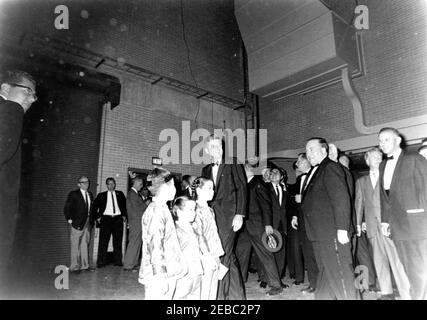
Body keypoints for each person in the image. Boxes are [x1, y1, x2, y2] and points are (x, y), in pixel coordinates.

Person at [301, 138, 357, 300]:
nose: (308, 154)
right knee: (326, 275)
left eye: (312, 149)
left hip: (332, 233)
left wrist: (342, 228)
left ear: (324, 151)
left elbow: (341, 199)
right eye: (307, 150)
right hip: (320, 234)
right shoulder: (316, 171)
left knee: (341, 276)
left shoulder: (330, 167)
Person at [355, 147, 411, 300]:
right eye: (374, 157)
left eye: (380, 157)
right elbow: (359, 204)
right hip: (372, 228)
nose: (378, 159)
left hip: (390, 225)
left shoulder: (390, 177)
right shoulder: (361, 181)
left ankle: (405, 292)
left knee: (397, 260)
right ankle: (386, 292)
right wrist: (359, 223)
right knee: (379, 260)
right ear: (367, 161)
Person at [378, 127, 427, 300]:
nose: (382, 144)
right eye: (380, 141)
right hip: (397, 227)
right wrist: (385, 221)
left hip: (416, 224)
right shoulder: (383, 164)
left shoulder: (414, 158)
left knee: (418, 269)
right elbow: (384, 197)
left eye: (386, 140)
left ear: (398, 141)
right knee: (407, 267)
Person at [0, 70, 37, 276]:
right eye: (28, 92)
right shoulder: (10, 109)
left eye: (34, 95)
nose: (32, 99)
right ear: (6, 88)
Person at [201, 134, 247, 300]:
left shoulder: (232, 162)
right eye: (213, 147)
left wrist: (240, 214)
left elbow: (242, 189)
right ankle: (237, 296)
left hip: (230, 216)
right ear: (207, 150)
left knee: (223, 254)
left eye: (219, 145)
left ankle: (219, 297)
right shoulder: (206, 169)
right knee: (228, 256)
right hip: (213, 217)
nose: (218, 149)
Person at [138, 167, 187, 300]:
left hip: (167, 269)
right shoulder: (157, 211)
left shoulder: (162, 208)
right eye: (172, 186)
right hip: (158, 274)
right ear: (162, 187)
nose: (175, 189)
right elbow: (155, 246)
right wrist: (160, 277)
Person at [236, 162, 284, 296]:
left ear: (248, 170)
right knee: (241, 255)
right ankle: (239, 281)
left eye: (243, 169)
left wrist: (268, 224)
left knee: (266, 255)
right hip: (244, 227)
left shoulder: (259, 183)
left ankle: (276, 285)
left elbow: (266, 205)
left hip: (257, 226)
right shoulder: (244, 185)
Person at [291, 153, 318, 294]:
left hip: (314, 222)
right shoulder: (300, 178)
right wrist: (295, 216)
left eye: (299, 162)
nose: (297, 165)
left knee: (316, 254)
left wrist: (303, 198)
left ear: (308, 161)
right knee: (307, 253)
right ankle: (313, 283)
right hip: (302, 221)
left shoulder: (316, 174)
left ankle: (321, 283)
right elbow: (297, 201)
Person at [193, 177, 224, 300]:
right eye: (209, 188)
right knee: (204, 290)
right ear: (199, 190)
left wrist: (217, 253)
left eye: (213, 189)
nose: (212, 191)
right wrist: (207, 256)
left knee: (213, 289)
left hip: (214, 252)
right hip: (205, 255)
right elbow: (199, 235)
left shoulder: (210, 210)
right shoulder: (195, 210)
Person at [172, 197, 204, 300]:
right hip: (184, 275)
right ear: (179, 212)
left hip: (196, 272)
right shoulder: (176, 231)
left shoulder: (193, 228)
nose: (193, 212)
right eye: (190, 209)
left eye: (194, 209)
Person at [91, 177, 127, 267]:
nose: (111, 185)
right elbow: (93, 207)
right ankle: (101, 262)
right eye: (109, 184)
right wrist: (97, 217)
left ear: (115, 184)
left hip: (118, 219)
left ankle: (118, 262)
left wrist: (124, 215)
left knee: (118, 241)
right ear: (106, 185)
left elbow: (125, 206)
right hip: (106, 219)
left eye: (113, 183)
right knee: (103, 241)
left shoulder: (120, 194)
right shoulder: (101, 195)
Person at [63, 176, 93, 273]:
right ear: (79, 184)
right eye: (83, 182)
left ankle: (85, 265)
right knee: (75, 245)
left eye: (87, 182)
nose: (86, 184)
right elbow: (67, 207)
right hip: (77, 223)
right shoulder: (74, 194)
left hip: (87, 223)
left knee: (85, 244)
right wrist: (69, 219)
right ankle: (74, 266)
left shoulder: (90, 194)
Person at [267, 168, 291, 283]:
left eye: (277, 173)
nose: (274, 174)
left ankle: (279, 279)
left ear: (282, 177)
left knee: (281, 252)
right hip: (270, 224)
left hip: (283, 225)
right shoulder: (265, 188)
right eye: (272, 172)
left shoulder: (285, 190)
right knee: (269, 251)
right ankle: (266, 279)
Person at [123, 176, 147, 271]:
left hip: (138, 221)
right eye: (140, 184)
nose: (141, 186)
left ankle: (134, 263)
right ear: (135, 183)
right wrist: (146, 204)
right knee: (134, 242)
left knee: (137, 242)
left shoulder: (135, 193)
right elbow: (137, 209)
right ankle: (128, 265)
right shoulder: (132, 194)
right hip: (135, 221)